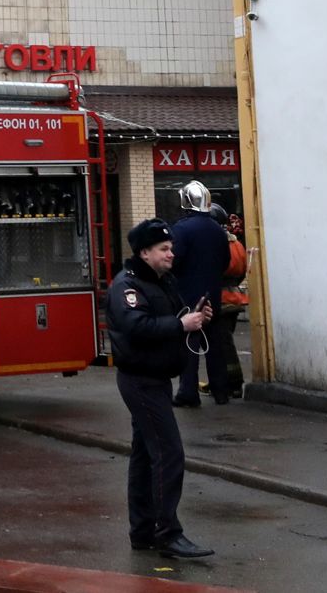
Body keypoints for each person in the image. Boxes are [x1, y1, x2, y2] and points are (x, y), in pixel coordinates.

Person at [108, 218, 214, 560]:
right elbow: (136, 326)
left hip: (155, 378)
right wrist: (181, 324)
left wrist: (195, 318)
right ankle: (168, 532)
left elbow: (172, 317)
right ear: (145, 252)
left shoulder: (161, 281)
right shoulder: (127, 286)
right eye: (164, 249)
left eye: (171, 248)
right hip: (140, 381)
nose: (171, 253)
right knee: (169, 454)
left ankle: (142, 531)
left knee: (144, 457)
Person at [167, 181, 230, 407]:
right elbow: (226, 262)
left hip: (186, 295)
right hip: (212, 294)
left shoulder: (181, 229)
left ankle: (188, 393)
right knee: (215, 345)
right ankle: (221, 391)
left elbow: (173, 261)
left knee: (189, 344)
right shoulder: (218, 230)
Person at [207, 205, 248, 402]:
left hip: (220, 299)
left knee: (223, 345)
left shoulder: (216, 243)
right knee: (225, 341)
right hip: (234, 297)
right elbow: (241, 272)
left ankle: (233, 383)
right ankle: (225, 381)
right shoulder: (236, 243)